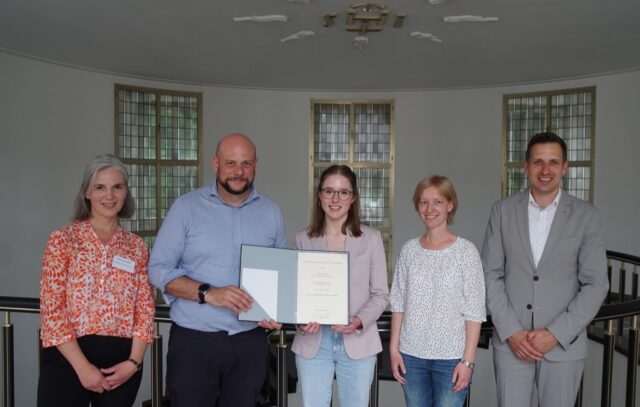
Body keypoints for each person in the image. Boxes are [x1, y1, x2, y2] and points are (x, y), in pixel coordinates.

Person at [148, 133, 286, 407]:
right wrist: (208, 293)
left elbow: (280, 277)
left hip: (250, 343)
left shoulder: (271, 212)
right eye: (231, 163)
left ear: (256, 164)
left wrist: (277, 311)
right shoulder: (186, 208)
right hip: (194, 343)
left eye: (246, 163)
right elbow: (157, 269)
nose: (239, 171)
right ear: (215, 163)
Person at [481, 131, 609, 407]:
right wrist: (512, 332)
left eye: (553, 162)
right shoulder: (502, 211)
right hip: (511, 344)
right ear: (526, 166)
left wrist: (556, 334)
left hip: (564, 346)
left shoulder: (586, 216)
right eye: (538, 161)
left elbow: (596, 284)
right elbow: (490, 274)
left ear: (565, 167)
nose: (545, 170)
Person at [38, 154, 155, 407]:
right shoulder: (63, 239)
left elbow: (144, 309)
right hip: (68, 357)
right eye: (100, 187)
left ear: (126, 193)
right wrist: (83, 368)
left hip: (122, 366)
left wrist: (133, 363)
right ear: (87, 193)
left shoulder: (136, 246)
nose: (109, 196)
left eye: (118, 187)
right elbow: (52, 309)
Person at [291, 164, 389, 407]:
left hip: (358, 340)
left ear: (353, 197)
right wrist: (300, 320)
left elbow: (380, 295)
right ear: (319, 195)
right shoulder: (302, 239)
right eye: (329, 191)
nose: (336, 199)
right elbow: (293, 293)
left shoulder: (371, 239)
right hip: (313, 342)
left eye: (343, 192)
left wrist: (358, 320)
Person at [389, 175, 486, 407]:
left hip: (452, 358)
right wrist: (393, 349)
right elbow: (398, 303)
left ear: (450, 205)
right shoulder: (409, 250)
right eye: (423, 202)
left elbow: (475, 310)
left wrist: (468, 361)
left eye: (438, 202)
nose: (430, 209)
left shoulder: (466, 252)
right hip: (411, 356)